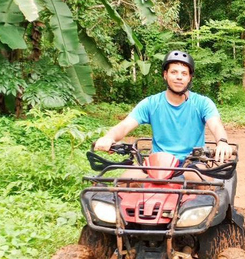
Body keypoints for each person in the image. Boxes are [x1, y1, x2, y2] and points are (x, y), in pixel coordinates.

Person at [94, 50, 233, 180]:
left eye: (184, 73)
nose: (179, 77)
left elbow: (215, 125)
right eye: (174, 72)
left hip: (192, 163)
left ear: (190, 78)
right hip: (157, 163)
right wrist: (108, 137)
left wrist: (222, 142)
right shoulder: (151, 103)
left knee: (206, 187)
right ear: (165, 75)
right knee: (122, 183)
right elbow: (125, 126)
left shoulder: (202, 103)